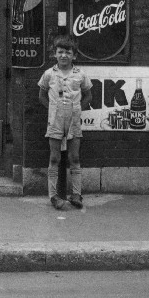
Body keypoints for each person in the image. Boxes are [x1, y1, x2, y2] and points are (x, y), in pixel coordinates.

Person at [38, 34, 93, 210]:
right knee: (54, 158)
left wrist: (77, 109)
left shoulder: (80, 74)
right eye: (60, 52)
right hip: (55, 119)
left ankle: (76, 194)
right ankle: (53, 196)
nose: (63, 55)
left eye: (67, 52)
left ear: (74, 55)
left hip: (73, 119)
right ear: (55, 54)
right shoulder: (49, 74)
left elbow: (88, 95)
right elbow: (41, 95)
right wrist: (53, 110)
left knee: (74, 157)